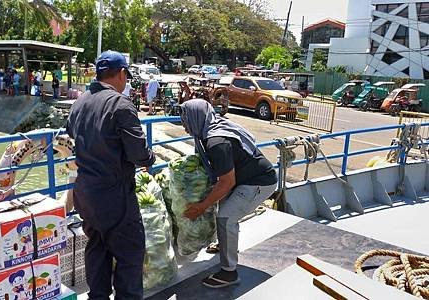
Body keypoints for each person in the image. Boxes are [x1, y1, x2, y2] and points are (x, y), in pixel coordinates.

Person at [66, 50, 155, 300]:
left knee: (97, 249)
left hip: (85, 194)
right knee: (129, 255)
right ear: (121, 73)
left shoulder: (80, 101)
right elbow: (139, 154)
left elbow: (70, 137)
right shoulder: (120, 104)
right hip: (115, 197)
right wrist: (150, 159)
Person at [179, 99, 277, 288]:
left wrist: (201, 207)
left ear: (196, 118)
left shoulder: (216, 142)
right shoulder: (211, 129)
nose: (184, 126)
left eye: (185, 121)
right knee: (223, 210)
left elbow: (227, 182)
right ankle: (225, 245)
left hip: (258, 182)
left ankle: (229, 273)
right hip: (244, 179)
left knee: (225, 218)